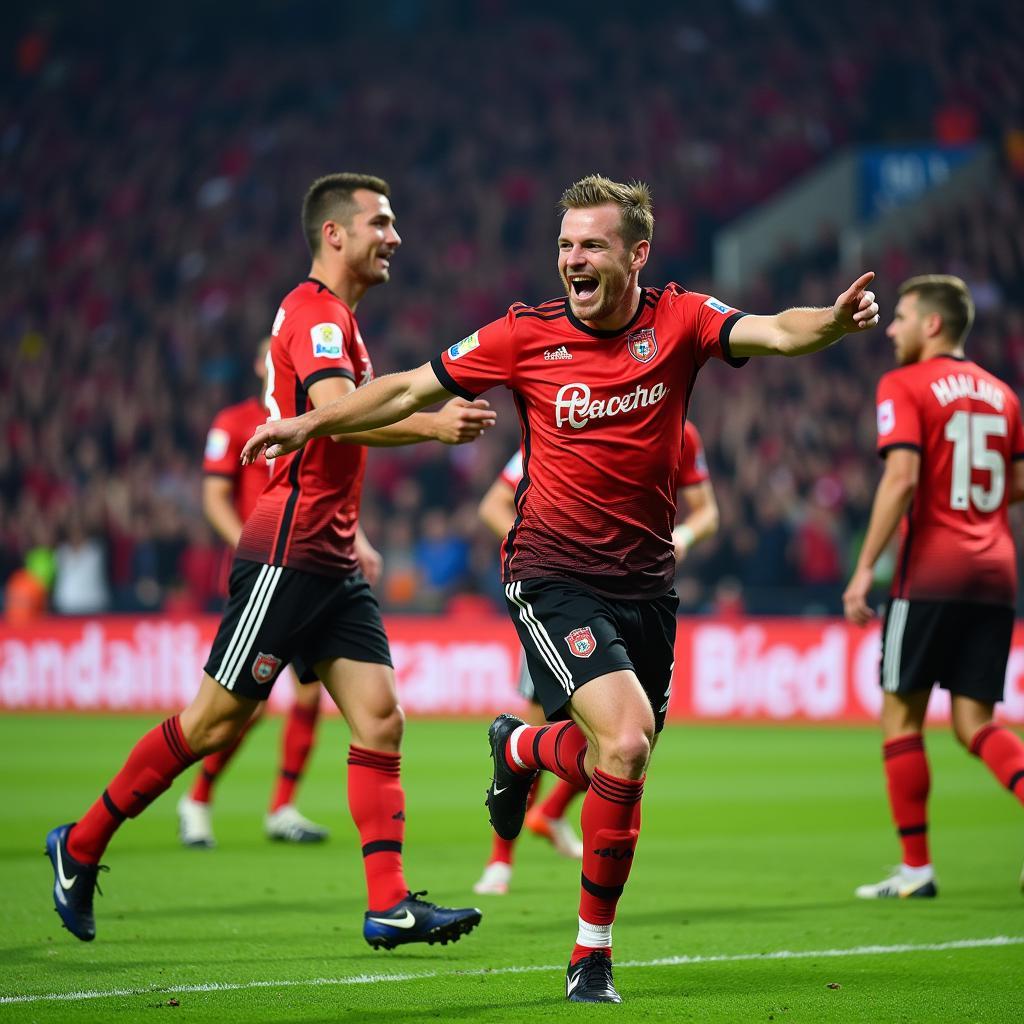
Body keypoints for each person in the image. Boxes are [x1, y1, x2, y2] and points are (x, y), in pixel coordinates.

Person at [241, 174, 879, 1003]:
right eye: (565, 245)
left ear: (636, 254)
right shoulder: (521, 335)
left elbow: (776, 332)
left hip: (648, 585)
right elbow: (408, 387)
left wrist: (828, 322)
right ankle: (590, 956)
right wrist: (307, 421)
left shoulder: (681, 319)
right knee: (626, 741)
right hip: (551, 572)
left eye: (592, 246)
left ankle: (516, 747)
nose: (573, 259)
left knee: (624, 757)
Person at [46, 172, 494, 950]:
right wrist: (428, 423)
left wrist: (411, 428)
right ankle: (79, 846)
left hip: (334, 559)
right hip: (288, 551)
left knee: (380, 719)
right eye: (380, 223)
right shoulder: (315, 315)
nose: (394, 237)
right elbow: (331, 415)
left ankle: (387, 904)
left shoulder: (342, 322)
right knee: (213, 723)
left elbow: (341, 415)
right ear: (335, 234)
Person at [473, 421, 719, 896]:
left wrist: (684, 536)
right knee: (543, 718)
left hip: (639, 592)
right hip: (564, 593)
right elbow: (493, 505)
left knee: (627, 745)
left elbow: (708, 512)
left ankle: (550, 808)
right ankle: (500, 859)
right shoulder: (569, 421)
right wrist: (547, 544)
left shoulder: (682, 435)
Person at [842, 274, 1024, 899]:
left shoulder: (905, 384)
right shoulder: (1003, 394)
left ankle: (916, 867)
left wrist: (866, 566)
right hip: (997, 570)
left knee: (901, 716)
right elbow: (1016, 482)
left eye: (900, 318)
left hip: (931, 571)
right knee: (974, 721)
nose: (890, 329)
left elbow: (901, 478)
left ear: (933, 325)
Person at [176, 337, 372, 847]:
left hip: (311, 567)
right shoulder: (234, 421)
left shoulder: (313, 418)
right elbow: (214, 496)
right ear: (261, 363)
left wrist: (359, 538)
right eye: (270, 352)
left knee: (310, 695)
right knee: (247, 705)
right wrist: (247, 543)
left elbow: (330, 491)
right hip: (266, 568)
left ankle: (282, 807)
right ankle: (197, 800)